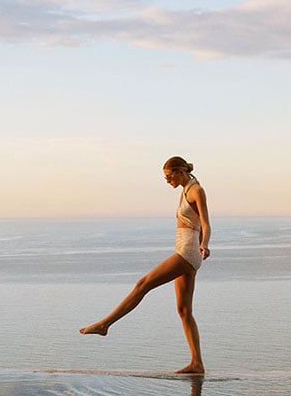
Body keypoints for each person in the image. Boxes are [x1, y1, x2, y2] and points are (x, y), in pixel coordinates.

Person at [79, 156, 211, 374]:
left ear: (180, 171)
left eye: (169, 177)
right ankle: (197, 363)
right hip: (184, 251)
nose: (167, 181)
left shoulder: (196, 190)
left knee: (143, 284)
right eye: (165, 178)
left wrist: (204, 244)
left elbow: (206, 223)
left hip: (188, 252)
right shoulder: (185, 189)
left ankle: (105, 325)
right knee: (184, 310)